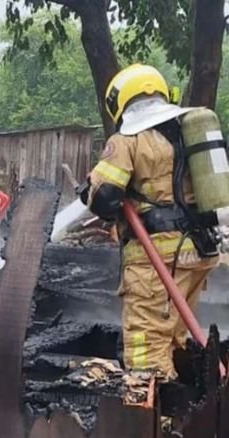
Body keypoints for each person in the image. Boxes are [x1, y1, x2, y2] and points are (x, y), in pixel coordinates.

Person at [84, 63, 221, 380]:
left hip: (156, 259)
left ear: (120, 102)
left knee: (145, 349)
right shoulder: (188, 130)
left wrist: (88, 192)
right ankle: (186, 415)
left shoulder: (128, 140)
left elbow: (104, 198)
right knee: (172, 337)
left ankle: (151, 421)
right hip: (196, 253)